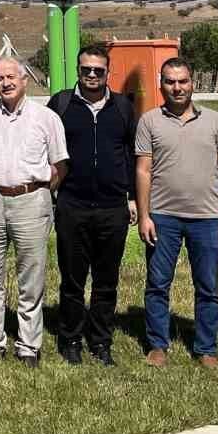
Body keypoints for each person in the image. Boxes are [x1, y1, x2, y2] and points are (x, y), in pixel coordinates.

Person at [135, 56, 218, 369]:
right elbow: (143, 171)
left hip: (207, 217)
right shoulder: (149, 121)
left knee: (207, 286)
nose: (177, 88)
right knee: (157, 284)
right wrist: (144, 215)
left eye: (183, 81)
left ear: (193, 83)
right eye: (170, 81)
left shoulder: (215, 121)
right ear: (161, 84)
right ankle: (157, 345)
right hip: (163, 216)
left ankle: (206, 349)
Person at [0, 57, 68, 368]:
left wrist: (39, 193)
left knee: (31, 277)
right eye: (0, 78)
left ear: (25, 80)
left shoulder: (47, 117)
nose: (6, 82)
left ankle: (28, 346)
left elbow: (59, 165)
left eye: (11, 76)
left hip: (31, 200)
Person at [47, 45, 138, 366]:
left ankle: (101, 341)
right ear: (78, 69)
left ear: (107, 73)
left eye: (98, 70)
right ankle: (70, 338)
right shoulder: (60, 105)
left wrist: (131, 197)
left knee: (106, 280)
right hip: (72, 206)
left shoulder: (124, 107)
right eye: (86, 69)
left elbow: (130, 154)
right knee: (72, 279)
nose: (91, 75)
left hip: (113, 207)